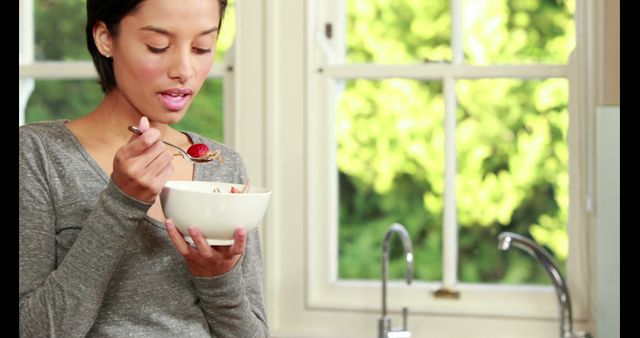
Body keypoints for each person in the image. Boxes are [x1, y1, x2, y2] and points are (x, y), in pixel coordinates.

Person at [19, 0, 269, 337]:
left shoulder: (222, 167)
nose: (184, 70)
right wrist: (120, 203)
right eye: (158, 46)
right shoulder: (37, 155)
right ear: (105, 38)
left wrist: (217, 279)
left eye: (202, 47)